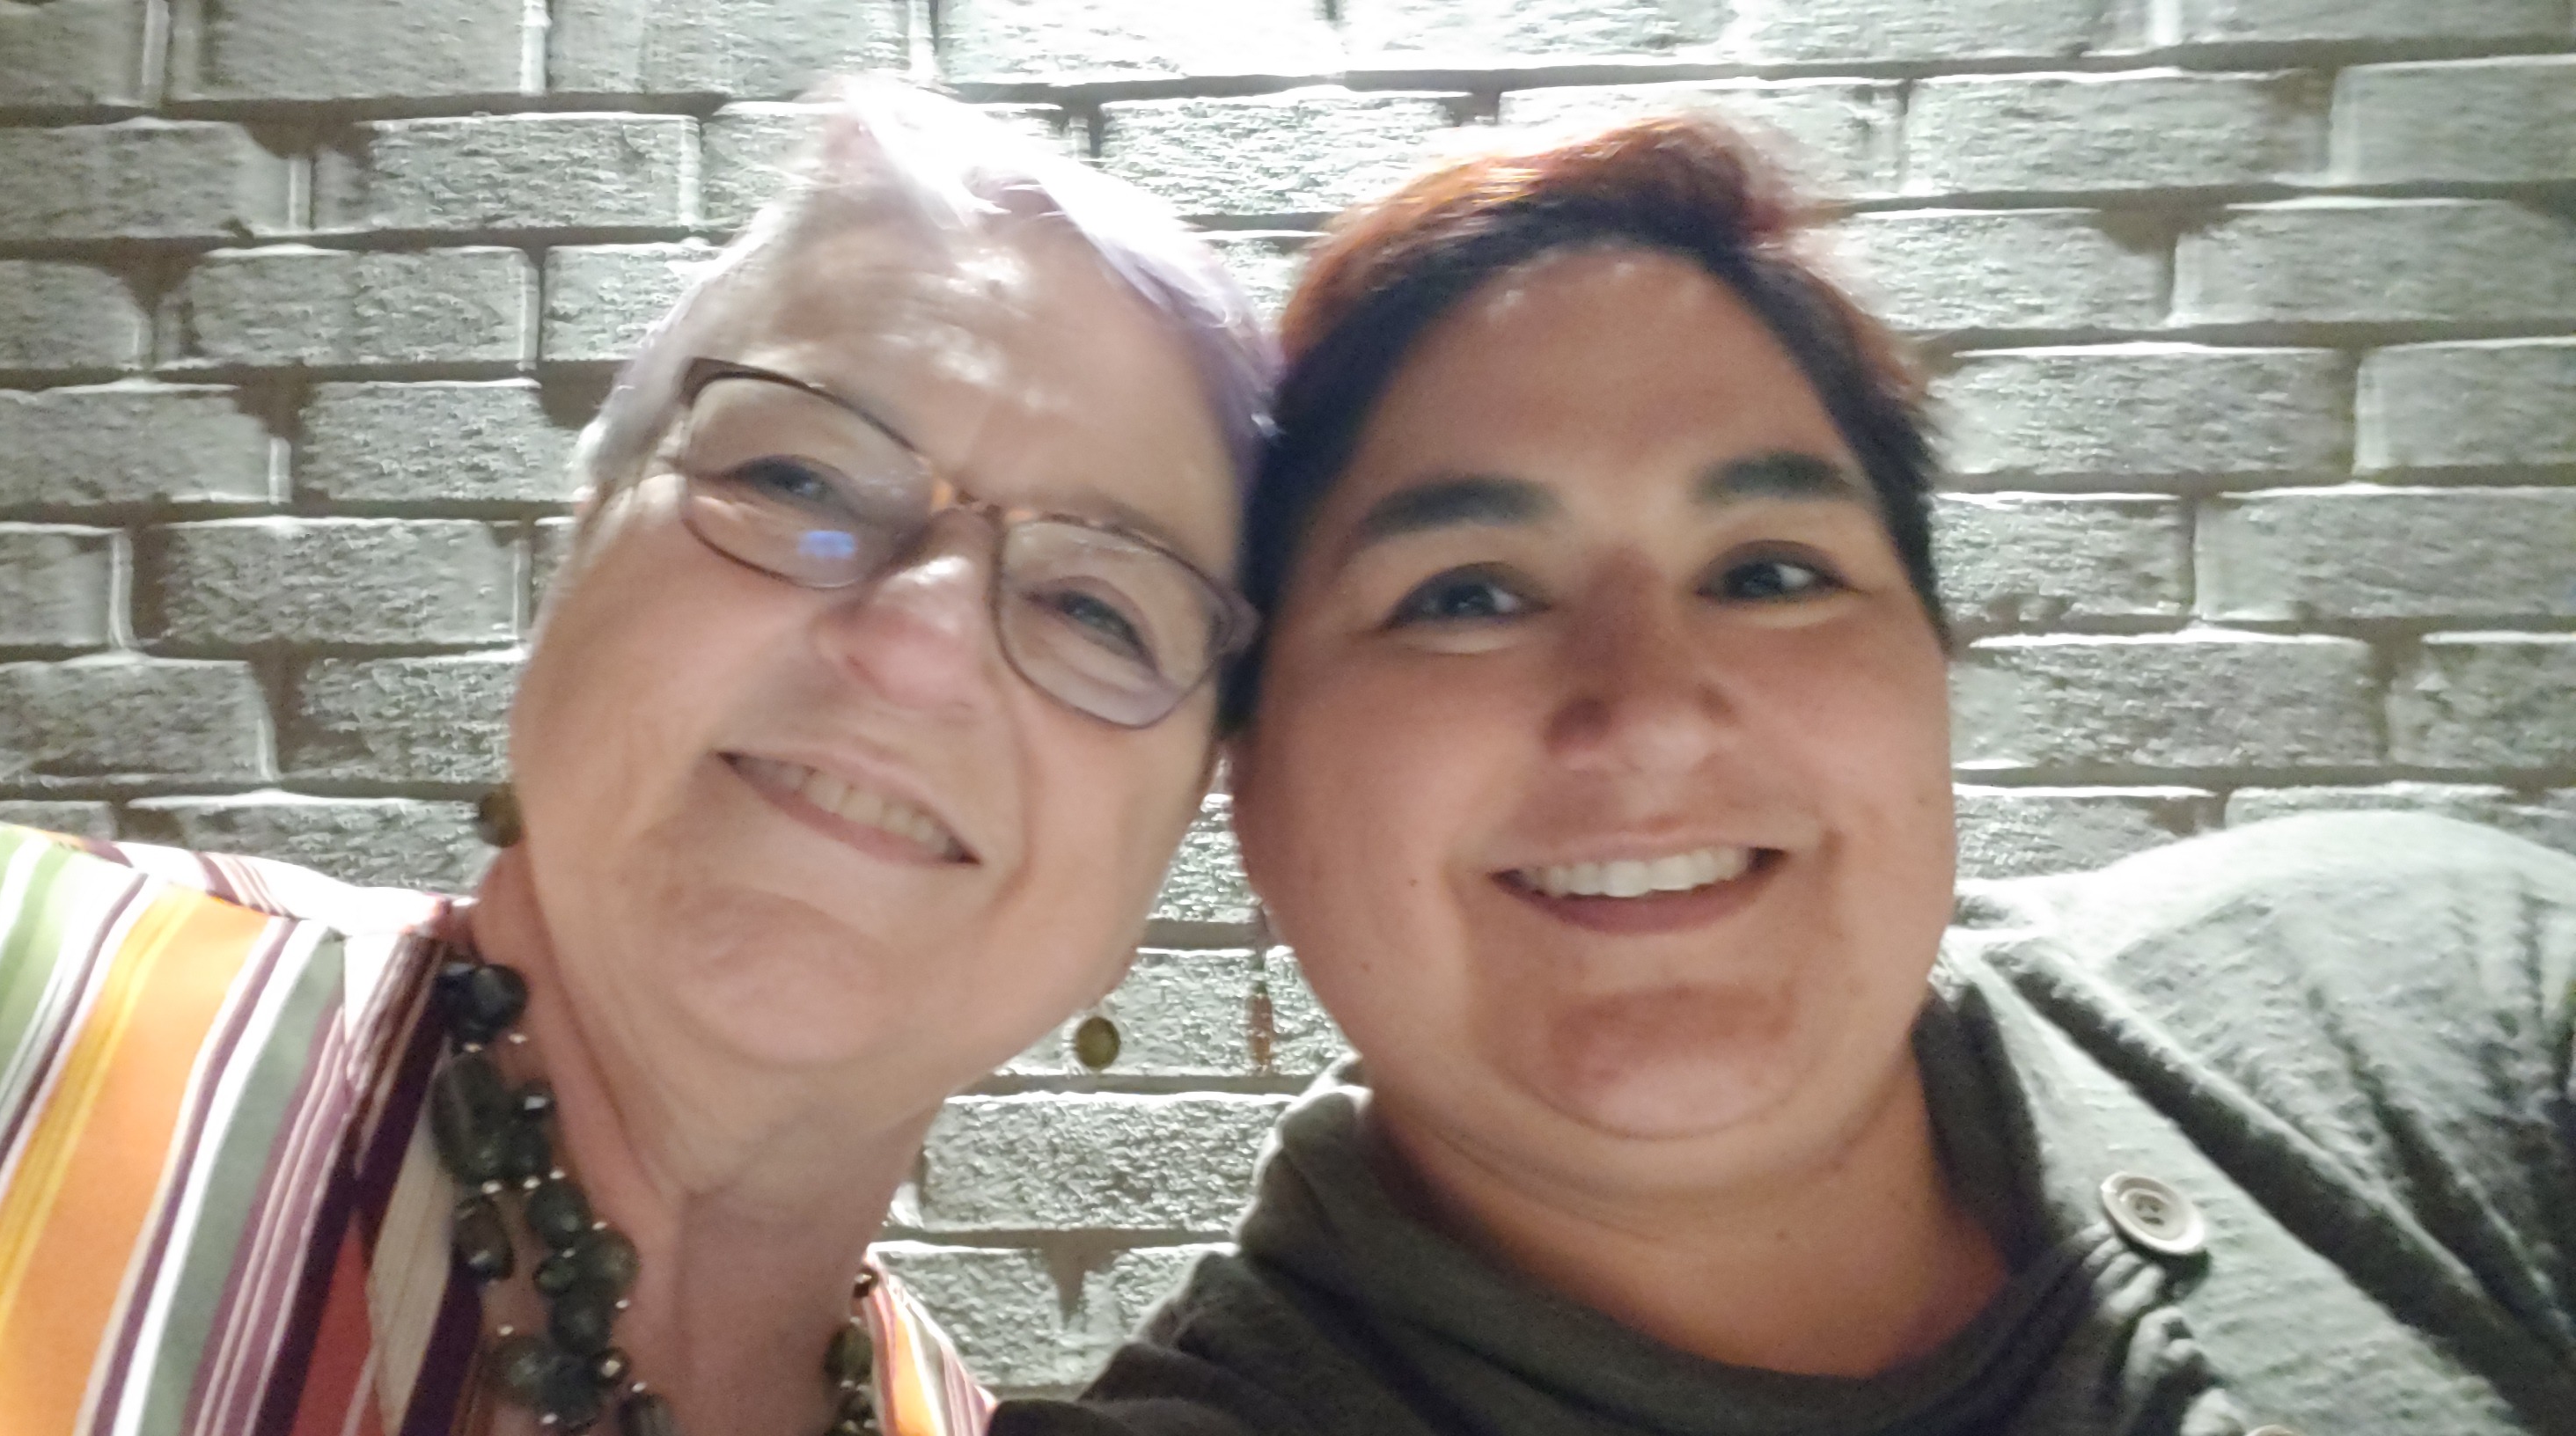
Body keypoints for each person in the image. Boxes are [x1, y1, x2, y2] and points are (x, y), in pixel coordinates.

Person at [0, 82, 1270, 1436]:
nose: (918, 645)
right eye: (801, 475)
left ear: (1184, 825)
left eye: (1097, 608)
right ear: (580, 549)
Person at [987, 118, 2576, 1434]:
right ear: (1246, 772)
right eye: (1466, 595)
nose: (1651, 717)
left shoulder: (2436, 1009)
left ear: (1932, 673)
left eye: (1769, 573)